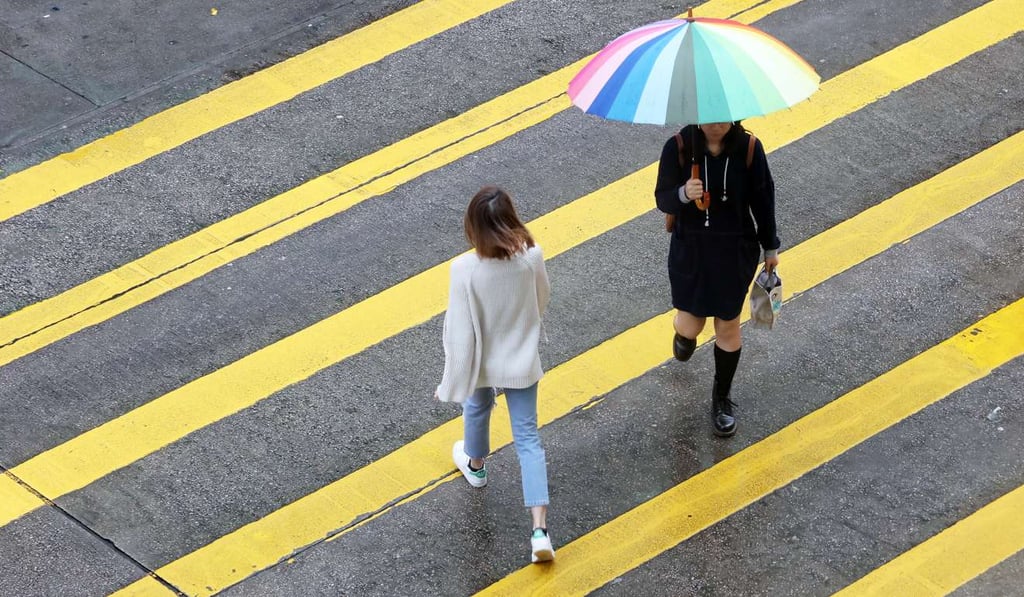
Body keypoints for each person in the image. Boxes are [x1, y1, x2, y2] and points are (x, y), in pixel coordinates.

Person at [434, 186, 554, 563]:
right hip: (520, 361)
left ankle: (476, 465)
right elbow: (542, 299)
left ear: (474, 228)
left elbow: (458, 329)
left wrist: (452, 378)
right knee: (528, 438)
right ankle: (539, 532)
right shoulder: (531, 257)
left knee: (477, 406)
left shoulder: (464, 270)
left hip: (481, 361)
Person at [654, 121, 780, 437]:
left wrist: (770, 246)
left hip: (734, 252)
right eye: (709, 116)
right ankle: (683, 334)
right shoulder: (679, 147)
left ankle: (721, 400)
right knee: (690, 325)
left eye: (723, 117)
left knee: (728, 324)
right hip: (691, 252)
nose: (716, 124)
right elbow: (662, 199)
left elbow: (763, 200)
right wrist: (683, 193)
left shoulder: (749, 149)